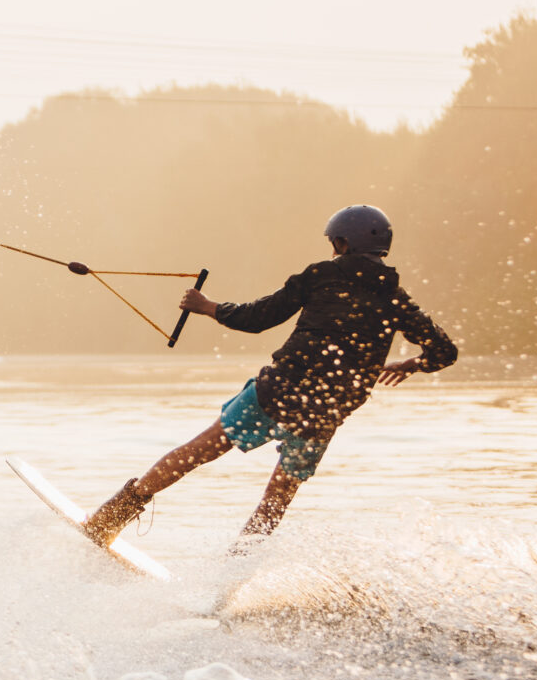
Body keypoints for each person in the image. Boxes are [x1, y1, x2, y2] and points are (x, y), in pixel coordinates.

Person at [78, 205, 458, 550]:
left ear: (343, 243)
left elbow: (259, 318)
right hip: (325, 412)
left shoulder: (320, 276)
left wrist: (206, 307)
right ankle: (232, 574)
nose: (331, 250)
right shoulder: (397, 299)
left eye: (333, 243)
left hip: (278, 391)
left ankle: (107, 521)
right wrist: (410, 366)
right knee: (278, 496)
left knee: (195, 452)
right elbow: (444, 352)